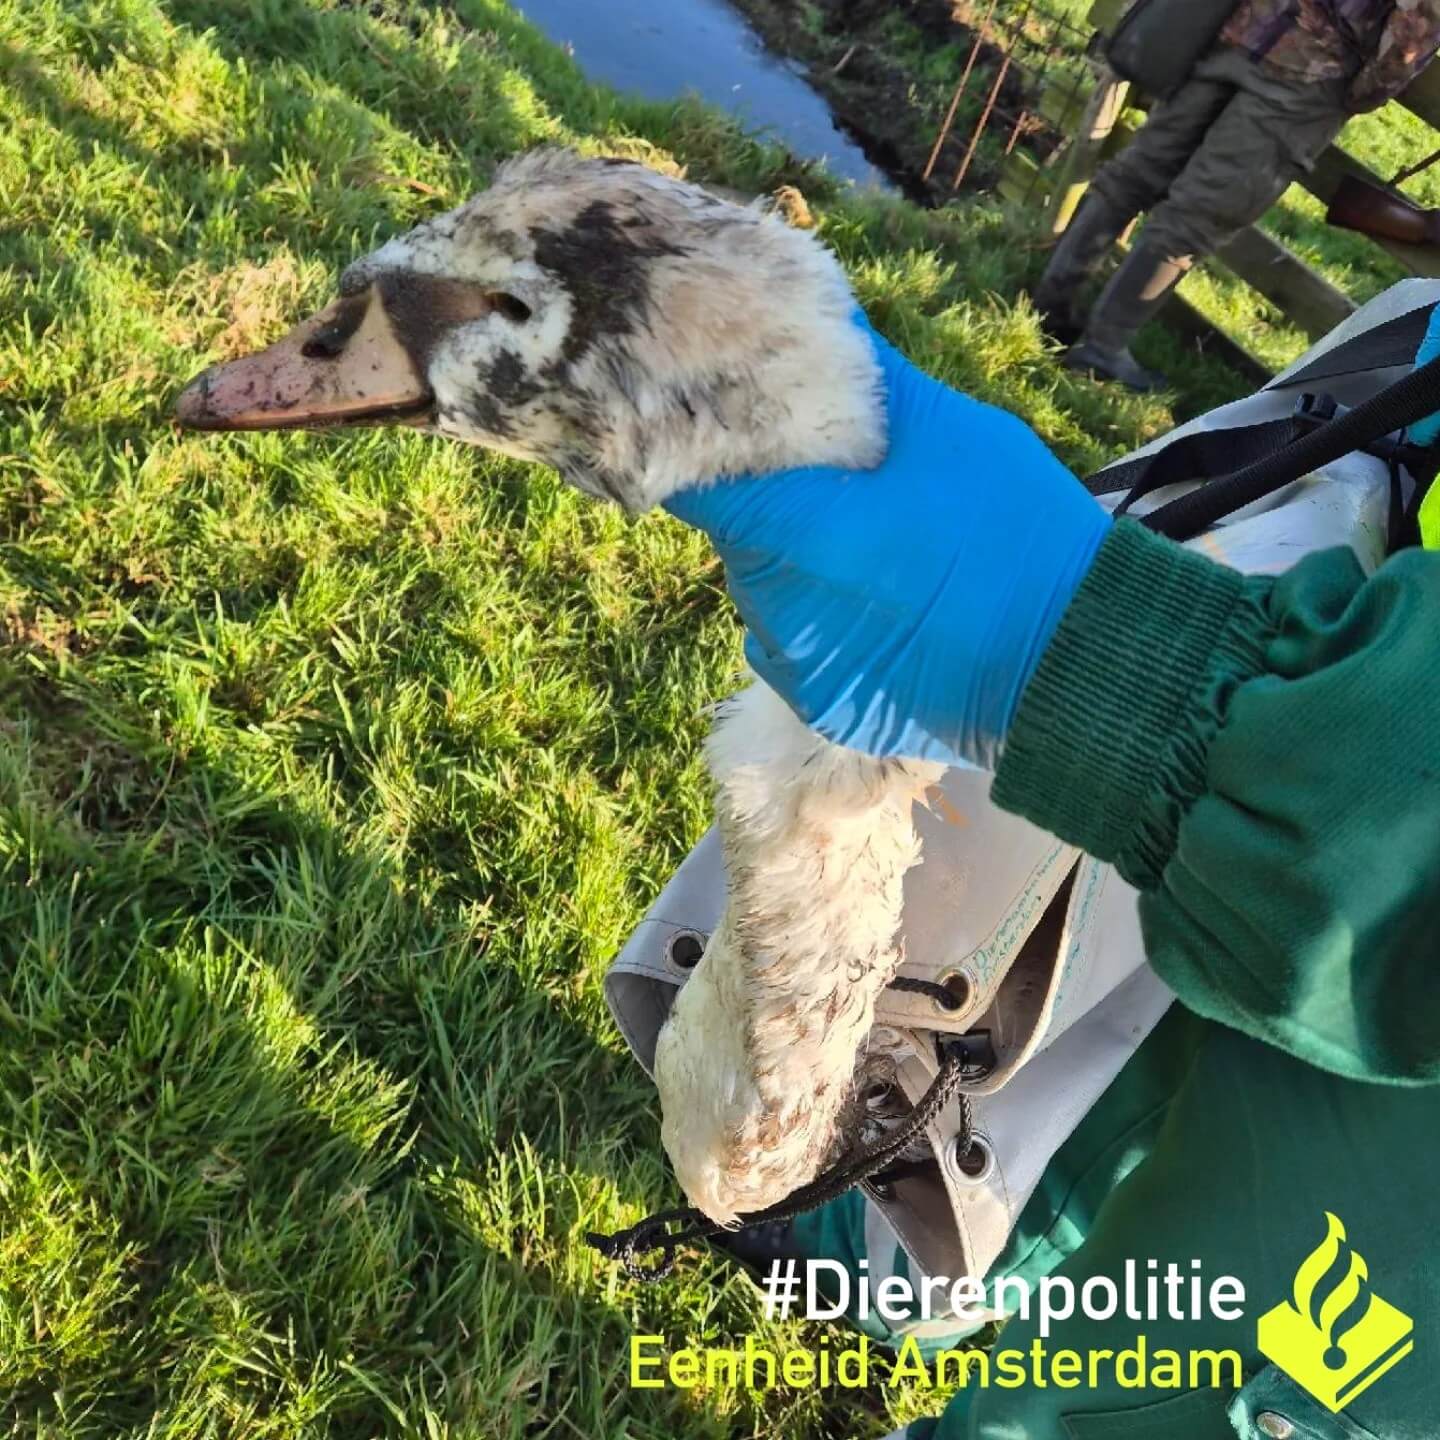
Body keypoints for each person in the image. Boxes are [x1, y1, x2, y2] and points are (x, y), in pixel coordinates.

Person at [661, 317, 1440, 1439]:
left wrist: (1137, 677)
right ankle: (874, 1236)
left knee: (1201, 1382)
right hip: (1392, 553)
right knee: (1121, 1035)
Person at [1036, 0, 1440, 391]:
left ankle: (1051, 300)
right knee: (1199, 215)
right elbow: (1412, 31)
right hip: (1311, 75)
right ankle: (1103, 347)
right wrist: (1360, 93)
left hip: (1241, 28)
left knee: (1137, 172)